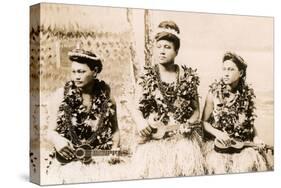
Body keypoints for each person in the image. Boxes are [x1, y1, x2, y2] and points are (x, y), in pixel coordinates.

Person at [131, 21, 205, 178]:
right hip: (155, 136)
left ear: (176, 51)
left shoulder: (187, 77)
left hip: (180, 136)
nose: (162, 51)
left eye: (167, 47)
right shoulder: (146, 77)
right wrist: (141, 122)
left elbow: (196, 111)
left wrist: (188, 124)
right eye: (159, 47)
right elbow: (136, 108)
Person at [202, 52, 272, 174]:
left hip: (240, 142)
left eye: (230, 69)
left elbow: (249, 124)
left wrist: (256, 137)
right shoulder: (214, 93)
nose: (226, 73)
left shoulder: (247, 96)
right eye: (224, 69)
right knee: (218, 167)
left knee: (248, 164)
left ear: (240, 73)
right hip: (219, 144)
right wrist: (218, 133)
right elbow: (204, 122)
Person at [49, 48, 120, 165]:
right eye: (74, 72)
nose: (76, 76)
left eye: (81, 72)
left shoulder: (107, 97)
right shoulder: (61, 95)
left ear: (95, 72)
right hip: (69, 160)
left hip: (98, 160)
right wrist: (57, 140)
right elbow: (50, 132)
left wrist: (114, 150)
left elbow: (115, 130)